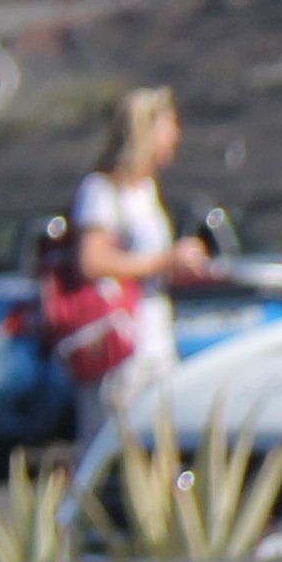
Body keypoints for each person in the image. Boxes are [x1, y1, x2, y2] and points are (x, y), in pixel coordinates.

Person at [68, 85, 210, 439]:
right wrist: (166, 259)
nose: (175, 136)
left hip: (155, 338)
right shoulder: (101, 191)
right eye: (169, 125)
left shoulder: (146, 190)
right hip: (120, 346)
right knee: (118, 442)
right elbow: (92, 261)